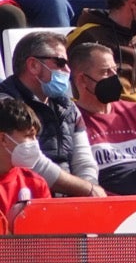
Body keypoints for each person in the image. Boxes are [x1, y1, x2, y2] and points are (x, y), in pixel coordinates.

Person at [0, 32, 100, 197]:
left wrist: (89, 193)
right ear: (33, 65)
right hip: (26, 198)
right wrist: (86, 189)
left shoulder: (68, 107)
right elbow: (31, 161)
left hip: (73, 199)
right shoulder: (5, 105)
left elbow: (84, 161)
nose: (67, 70)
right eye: (60, 63)